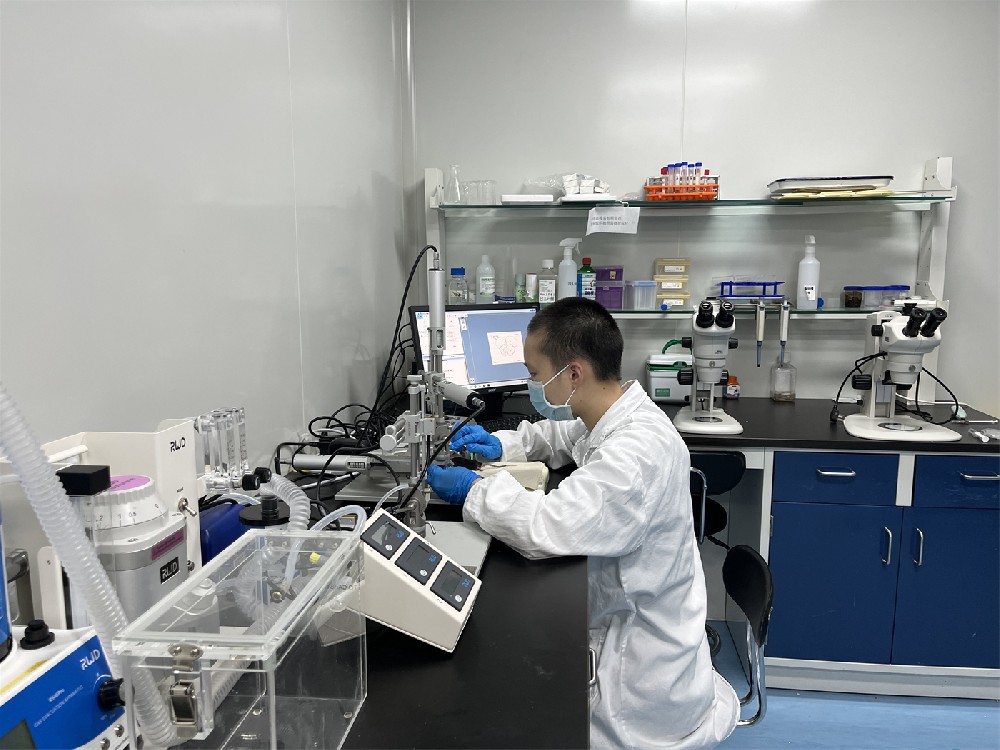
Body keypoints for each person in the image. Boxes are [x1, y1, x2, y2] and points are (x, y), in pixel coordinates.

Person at [426, 297, 738, 750]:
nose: (532, 385)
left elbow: (545, 525)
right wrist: (502, 444)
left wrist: (472, 489)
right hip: (628, 619)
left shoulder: (635, 455)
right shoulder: (616, 411)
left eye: (535, 374)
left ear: (573, 375)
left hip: (641, 674)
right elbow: (562, 434)